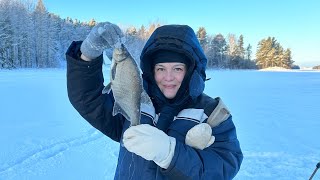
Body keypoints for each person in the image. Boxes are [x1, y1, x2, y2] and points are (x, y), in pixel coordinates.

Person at [66, 22, 243, 179]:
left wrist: (170, 154)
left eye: (177, 69)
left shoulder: (212, 114)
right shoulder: (134, 101)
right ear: (151, 71)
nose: (168, 77)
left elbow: (225, 166)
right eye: (160, 69)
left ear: (190, 70)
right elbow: (88, 99)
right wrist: (87, 55)